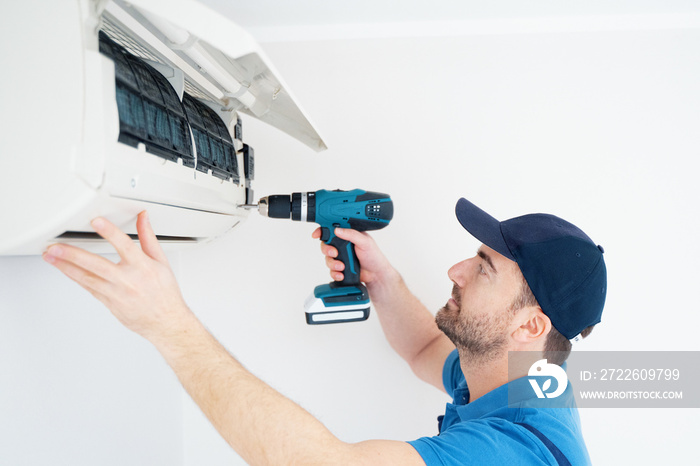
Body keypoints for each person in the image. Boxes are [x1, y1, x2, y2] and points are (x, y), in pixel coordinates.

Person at [42, 196, 606, 465]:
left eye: (483, 269)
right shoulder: (516, 378)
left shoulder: (513, 453)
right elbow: (423, 348)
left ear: (532, 323)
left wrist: (168, 324)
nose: (456, 271)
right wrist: (384, 283)